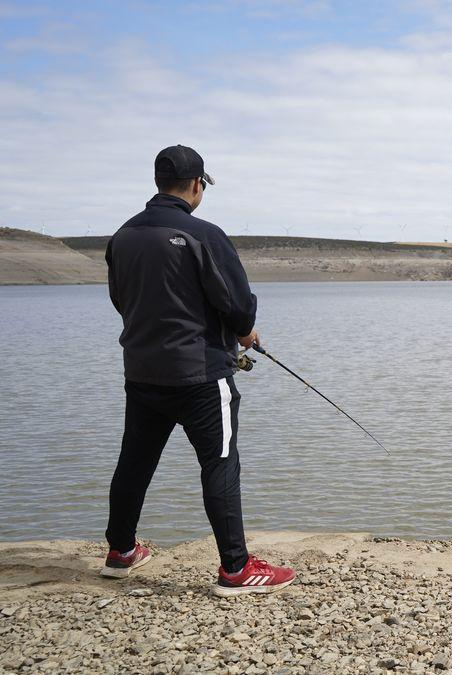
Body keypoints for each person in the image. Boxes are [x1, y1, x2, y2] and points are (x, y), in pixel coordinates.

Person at [102, 145, 295, 597]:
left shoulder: (122, 236)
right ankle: (236, 569)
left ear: (157, 183)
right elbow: (236, 301)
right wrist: (246, 332)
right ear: (196, 185)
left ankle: (120, 551)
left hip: (143, 370)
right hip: (202, 376)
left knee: (134, 461)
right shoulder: (204, 234)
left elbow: (120, 299)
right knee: (221, 462)